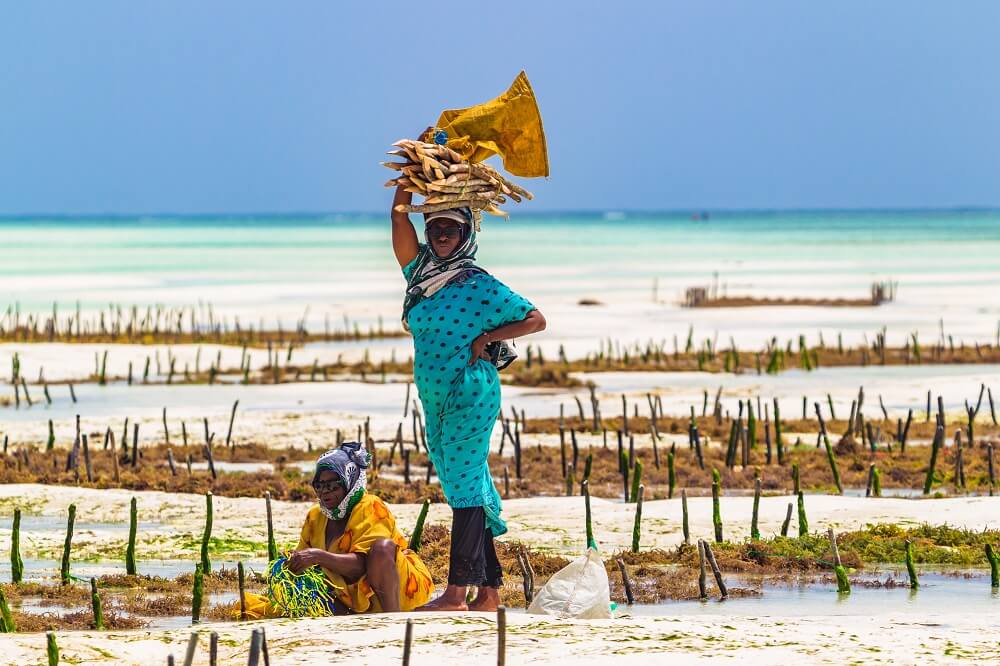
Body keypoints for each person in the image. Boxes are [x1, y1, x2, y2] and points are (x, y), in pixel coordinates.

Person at [391, 179, 546, 611]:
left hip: (471, 393)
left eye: (451, 230)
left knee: (462, 485)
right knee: (466, 484)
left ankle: (457, 592)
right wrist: (406, 179)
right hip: (435, 397)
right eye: (436, 229)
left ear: (466, 234)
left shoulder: (479, 284)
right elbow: (397, 218)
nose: (442, 236)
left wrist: (489, 336)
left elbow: (536, 320)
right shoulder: (419, 273)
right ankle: (490, 594)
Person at [242, 443, 434, 617]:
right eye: (319, 485)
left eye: (333, 485)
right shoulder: (315, 516)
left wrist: (319, 556)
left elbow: (363, 565)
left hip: (399, 590)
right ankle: (355, 615)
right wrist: (293, 561)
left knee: (382, 548)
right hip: (350, 594)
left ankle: (393, 619)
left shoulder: (371, 507)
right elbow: (304, 558)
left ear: (349, 481)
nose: (325, 491)